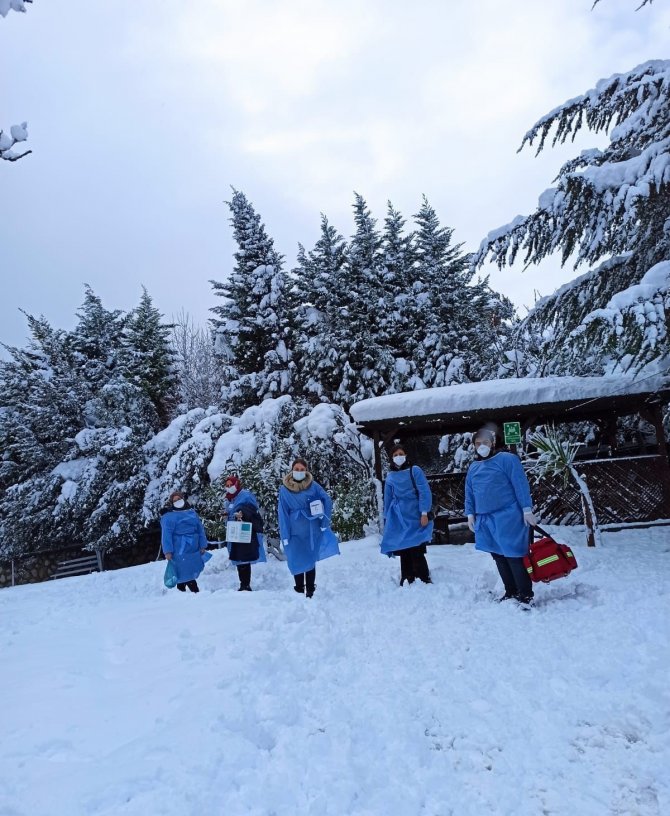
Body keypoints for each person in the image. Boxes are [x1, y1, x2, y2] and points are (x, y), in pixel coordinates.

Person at [464, 425, 538, 605]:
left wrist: (526, 509)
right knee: (498, 555)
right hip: (485, 519)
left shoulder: (507, 459)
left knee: (513, 554)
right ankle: (510, 591)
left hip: (508, 516)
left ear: (493, 442)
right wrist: (470, 513)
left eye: (485, 442)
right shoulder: (473, 467)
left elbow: (520, 484)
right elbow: (469, 492)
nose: (482, 446)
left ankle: (525, 594)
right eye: (478, 443)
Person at [278, 457, 339, 597]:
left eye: (302, 469)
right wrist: (285, 534)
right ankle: (299, 588)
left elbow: (327, 500)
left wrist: (324, 522)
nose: (299, 472)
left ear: (306, 471)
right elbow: (283, 513)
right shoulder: (284, 489)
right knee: (296, 557)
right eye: (296, 469)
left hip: (311, 528)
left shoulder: (313, 485)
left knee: (310, 558)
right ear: (292, 470)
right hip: (293, 530)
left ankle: (310, 589)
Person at [380, 444, 433, 585]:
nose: (398, 457)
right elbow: (388, 498)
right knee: (403, 546)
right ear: (391, 458)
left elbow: (424, 491)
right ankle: (407, 576)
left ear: (406, 455)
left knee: (416, 545)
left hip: (415, 513)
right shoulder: (390, 475)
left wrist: (424, 512)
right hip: (399, 516)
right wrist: (387, 518)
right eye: (395, 455)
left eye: (401, 453)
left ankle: (423, 576)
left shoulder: (414, 470)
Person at [222, 474, 266, 591]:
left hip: (244, 529)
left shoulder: (246, 495)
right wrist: (226, 516)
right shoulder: (228, 499)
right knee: (237, 557)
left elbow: (253, 510)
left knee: (244, 556)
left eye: (231, 485)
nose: (229, 487)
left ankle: (245, 585)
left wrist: (243, 514)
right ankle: (243, 583)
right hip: (233, 531)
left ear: (237, 484)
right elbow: (229, 512)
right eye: (227, 485)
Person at [160, 490, 209, 593]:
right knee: (183, 571)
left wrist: (202, 545)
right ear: (171, 503)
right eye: (175, 500)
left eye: (179, 499)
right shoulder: (169, 516)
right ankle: (193, 592)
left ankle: (183, 593)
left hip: (193, 547)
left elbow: (200, 529)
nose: (177, 501)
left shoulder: (192, 513)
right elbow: (166, 534)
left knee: (188, 570)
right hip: (179, 549)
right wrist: (168, 551)